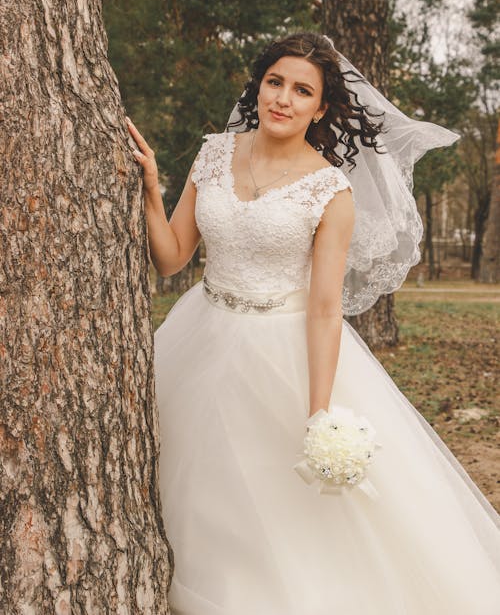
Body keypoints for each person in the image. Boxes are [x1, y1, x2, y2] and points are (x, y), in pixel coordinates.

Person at [127, 32, 500, 615]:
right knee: (194, 481)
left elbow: (327, 309)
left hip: (282, 351)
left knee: (274, 498)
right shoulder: (214, 154)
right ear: (259, 87)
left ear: (320, 108)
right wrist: (151, 189)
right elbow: (173, 256)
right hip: (200, 333)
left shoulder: (330, 190)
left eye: (302, 90)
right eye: (275, 82)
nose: (283, 98)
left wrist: (319, 410)